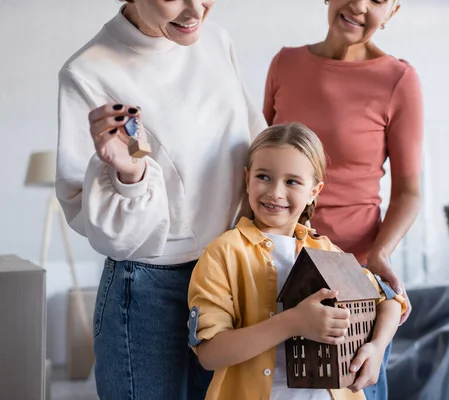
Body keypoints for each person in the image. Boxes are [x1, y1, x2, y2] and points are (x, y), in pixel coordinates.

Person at [56, 1, 265, 398]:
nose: (194, 10)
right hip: (150, 289)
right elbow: (87, 211)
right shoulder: (88, 72)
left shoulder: (216, 40)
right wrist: (130, 173)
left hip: (229, 273)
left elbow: (253, 142)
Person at [263, 1, 423, 398]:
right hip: (276, 264)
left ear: (393, 11)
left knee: (353, 388)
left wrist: (381, 255)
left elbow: (409, 190)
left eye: (378, 0)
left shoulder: (397, 79)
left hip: (353, 275)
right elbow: (261, 164)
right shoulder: (285, 64)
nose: (358, 5)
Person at [187, 123, 408, 400]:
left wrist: (376, 348)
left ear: (314, 191)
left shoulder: (326, 250)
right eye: (264, 177)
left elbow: (388, 300)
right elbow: (210, 353)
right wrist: (292, 322)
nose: (275, 192)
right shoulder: (223, 253)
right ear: (247, 179)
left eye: (292, 181)